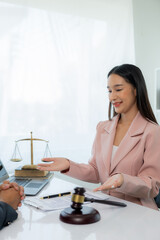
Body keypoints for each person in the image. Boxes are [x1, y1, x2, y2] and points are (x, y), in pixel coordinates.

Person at [37, 64, 160, 210]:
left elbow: (152, 186)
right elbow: (96, 172)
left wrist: (123, 180)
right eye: (109, 91)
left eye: (118, 89)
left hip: (138, 212)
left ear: (136, 89)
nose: (112, 97)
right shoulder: (103, 128)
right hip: (107, 207)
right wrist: (69, 165)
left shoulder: (152, 131)